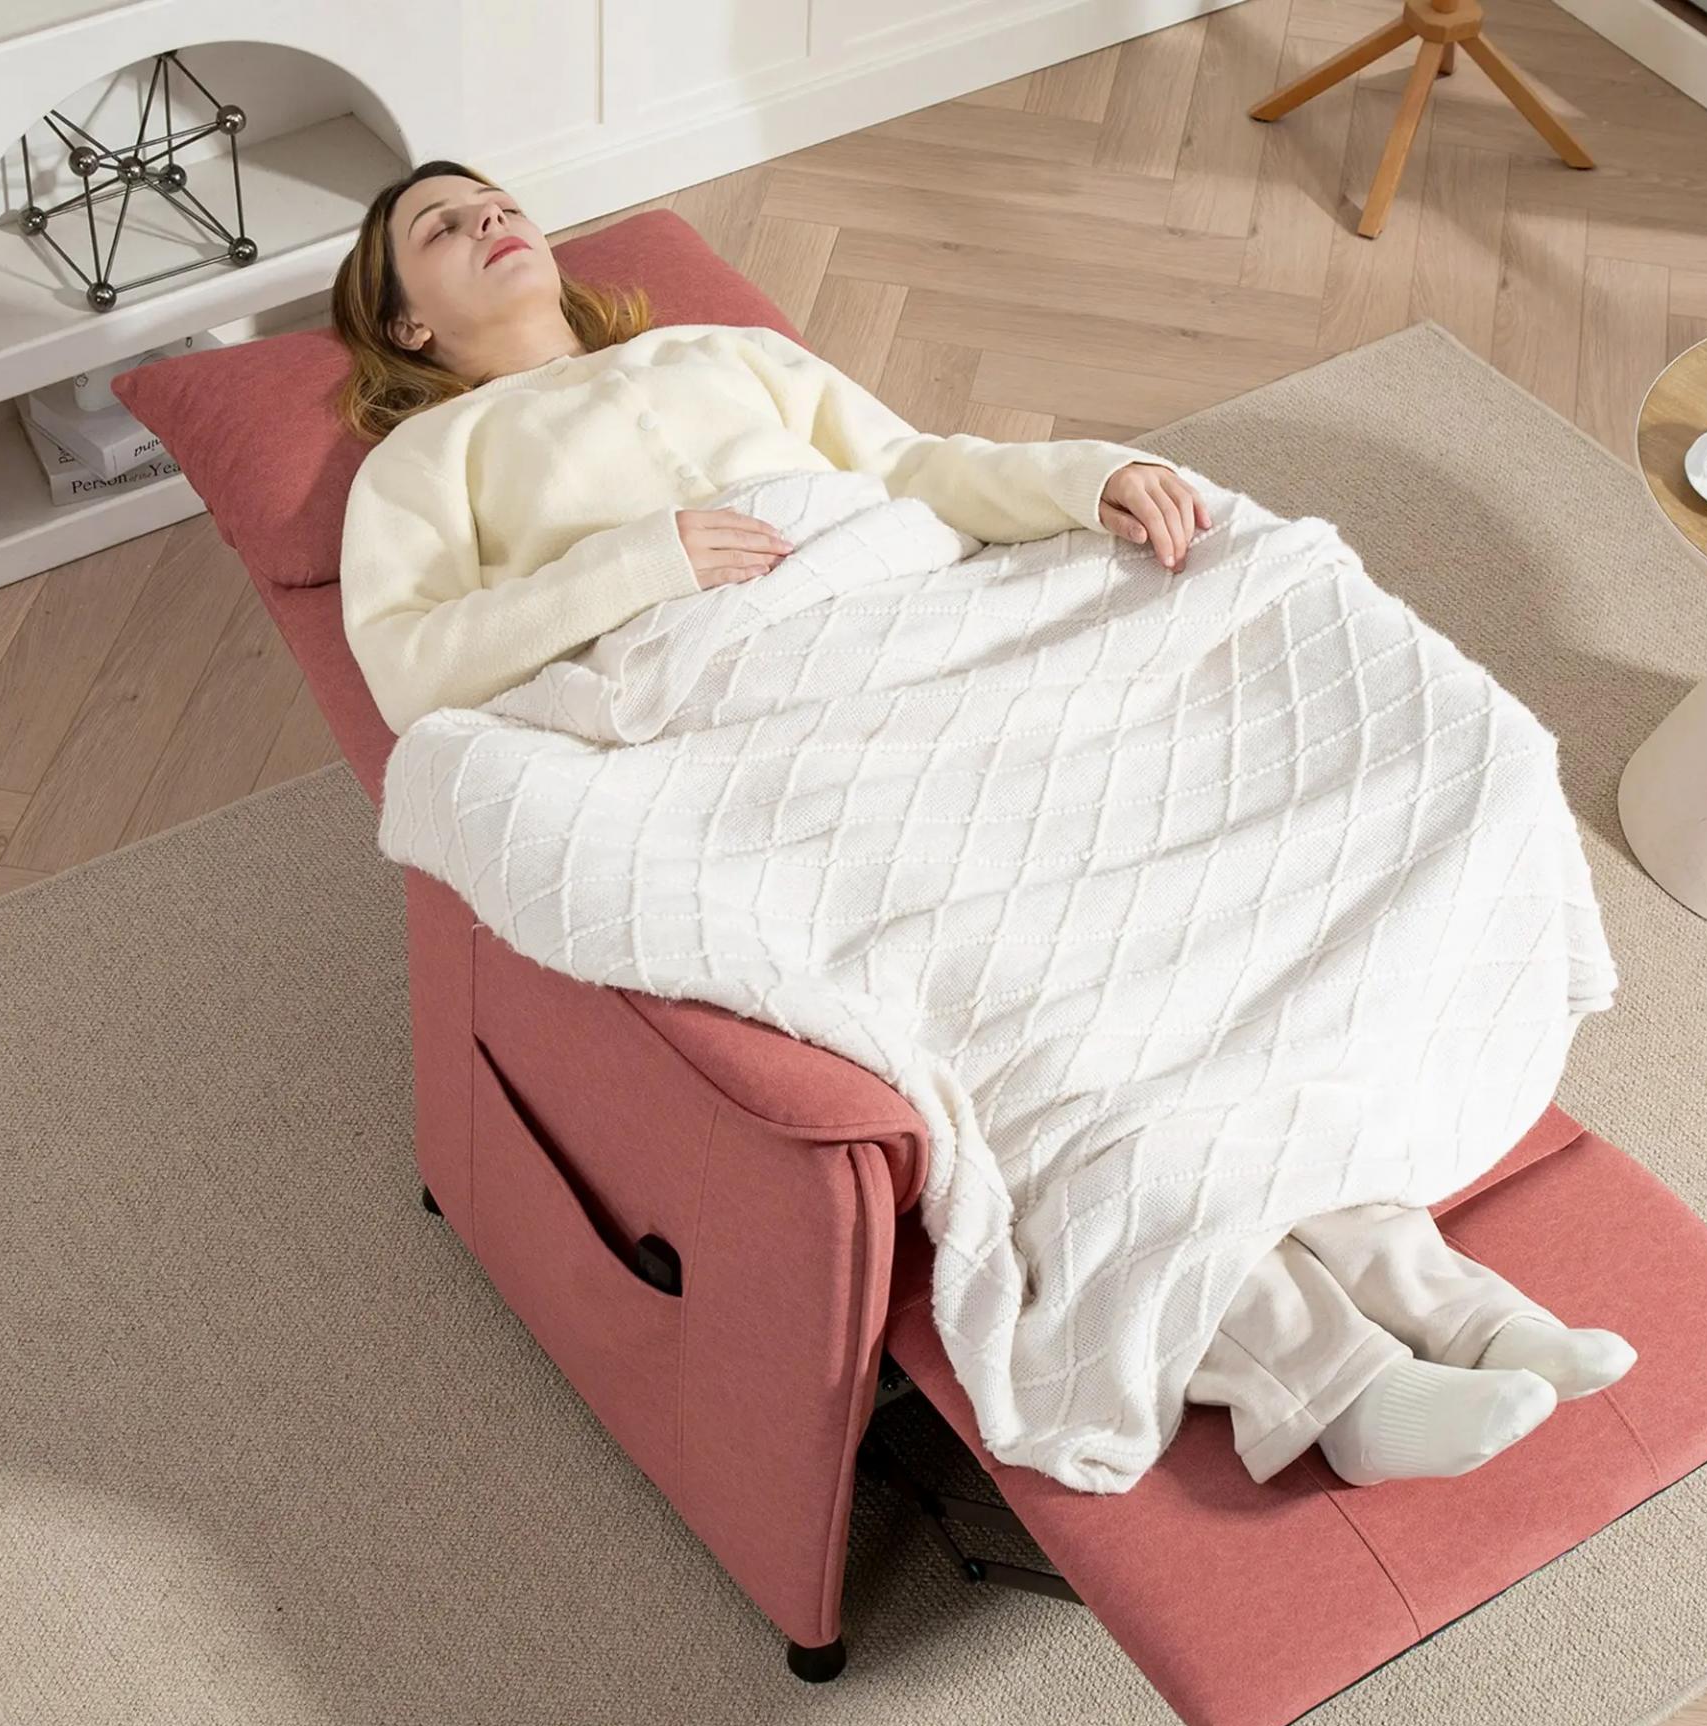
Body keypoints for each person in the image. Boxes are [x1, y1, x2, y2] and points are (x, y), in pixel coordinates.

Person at [333, 159, 1635, 1491]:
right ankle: (1334, 1384)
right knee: (1047, 1000)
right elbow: (415, 669)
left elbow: (915, 467)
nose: (490, 220)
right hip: (754, 701)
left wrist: (1090, 479)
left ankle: (1459, 1310)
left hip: (935, 616)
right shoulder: (424, 462)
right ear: (406, 321)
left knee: (1225, 909)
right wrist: (645, 559)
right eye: (441, 226)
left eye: (499, 202)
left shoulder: (719, 353)